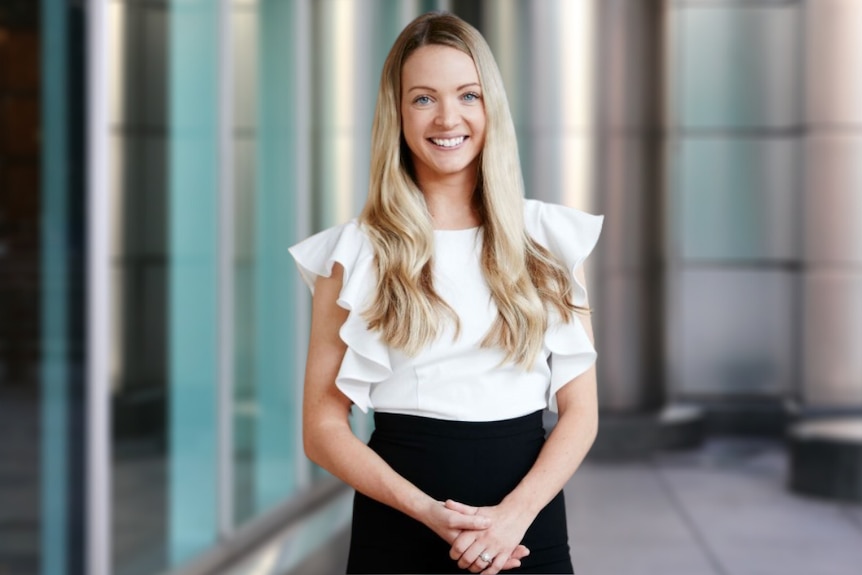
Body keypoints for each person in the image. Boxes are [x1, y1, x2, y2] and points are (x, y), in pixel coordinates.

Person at [289, 11, 602, 575]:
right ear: (398, 113)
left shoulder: (548, 241)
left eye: (468, 95)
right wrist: (429, 513)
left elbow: (581, 412)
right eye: (423, 99)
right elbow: (322, 428)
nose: (448, 117)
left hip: (525, 535)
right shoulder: (354, 252)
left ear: (491, 108)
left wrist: (511, 518)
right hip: (399, 532)